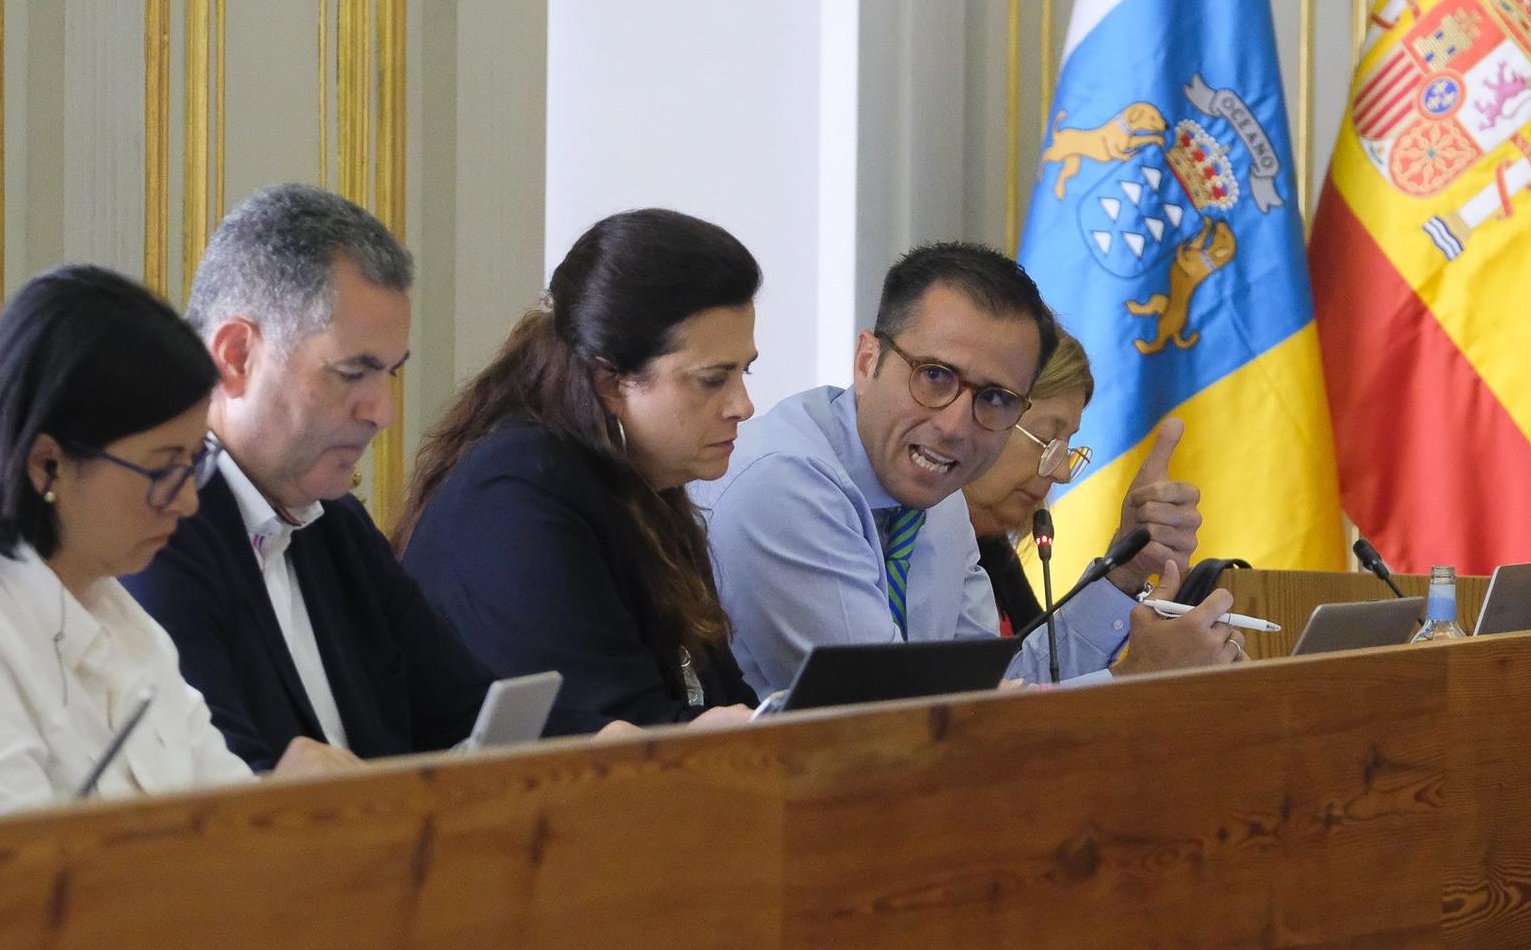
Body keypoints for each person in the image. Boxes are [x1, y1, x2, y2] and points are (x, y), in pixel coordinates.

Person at [0, 266, 355, 822]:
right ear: (48, 465)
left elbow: (219, 817)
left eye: (195, 462)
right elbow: (8, 886)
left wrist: (277, 804)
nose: (189, 502)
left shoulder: (122, 618)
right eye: (164, 469)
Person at [696, 240, 1243, 696]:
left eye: (997, 399)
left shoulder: (937, 498)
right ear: (867, 362)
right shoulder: (785, 483)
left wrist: (1124, 571)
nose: (957, 426)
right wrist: (1136, 678)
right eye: (934, 376)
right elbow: (891, 719)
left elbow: (993, 688)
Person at [124, 184, 494, 769]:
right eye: (353, 372)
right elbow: (212, 799)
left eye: (390, 374)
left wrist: (590, 743)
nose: (382, 412)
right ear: (237, 356)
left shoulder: (337, 525)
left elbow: (471, 718)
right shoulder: (156, 529)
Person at [396, 210, 762, 734]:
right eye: (712, 380)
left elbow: (713, 698)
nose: (743, 406)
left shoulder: (638, 484)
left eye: (744, 371)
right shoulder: (516, 497)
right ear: (611, 381)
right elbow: (609, 737)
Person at [964, 329, 1095, 634]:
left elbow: (1049, 676)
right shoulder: (894, 553)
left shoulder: (994, 553)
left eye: (1066, 446)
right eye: (1046, 439)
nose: (1061, 473)